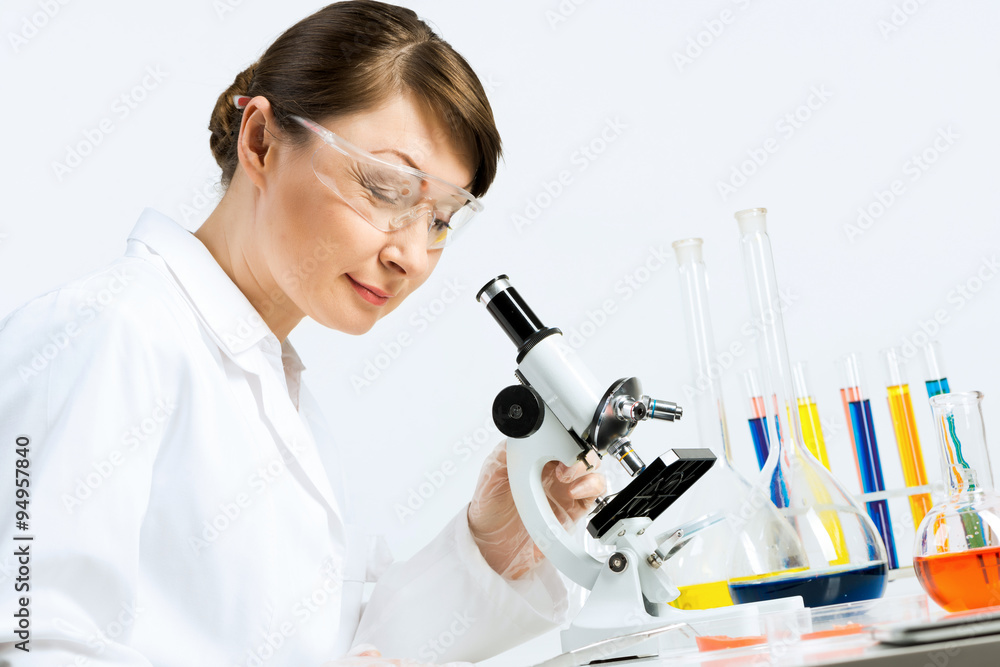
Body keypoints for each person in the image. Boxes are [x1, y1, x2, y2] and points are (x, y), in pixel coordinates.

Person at [0, 1, 605, 665]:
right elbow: (27, 641)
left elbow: (349, 649)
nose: (411, 254)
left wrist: (495, 541)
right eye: (385, 187)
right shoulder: (106, 333)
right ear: (259, 140)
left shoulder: (280, 393)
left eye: (440, 221)